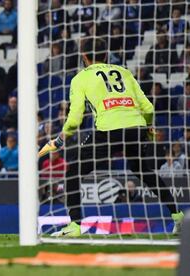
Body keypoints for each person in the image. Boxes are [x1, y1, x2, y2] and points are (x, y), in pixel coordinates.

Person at [39, 37, 183, 237]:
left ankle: (75, 225)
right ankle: (178, 216)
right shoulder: (123, 72)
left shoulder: (80, 78)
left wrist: (60, 140)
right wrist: (149, 128)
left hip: (108, 129)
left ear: (84, 57)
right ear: (106, 56)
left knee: (73, 172)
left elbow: (74, 119)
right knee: (142, 170)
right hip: (136, 127)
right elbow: (148, 107)